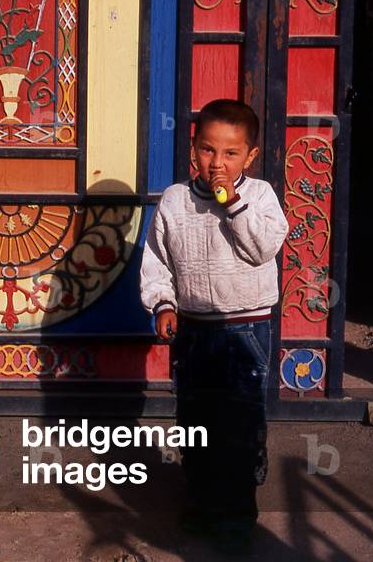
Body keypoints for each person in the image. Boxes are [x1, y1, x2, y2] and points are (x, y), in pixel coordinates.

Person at [139, 98, 289, 556]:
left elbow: (262, 249)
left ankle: (238, 514)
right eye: (208, 150)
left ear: (250, 157)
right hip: (195, 330)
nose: (217, 163)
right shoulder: (175, 200)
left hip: (246, 330)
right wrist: (164, 305)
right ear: (193, 149)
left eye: (229, 153)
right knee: (196, 420)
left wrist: (234, 204)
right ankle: (202, 502)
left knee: (240, 422)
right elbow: (157, 262)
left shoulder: (260, 196)